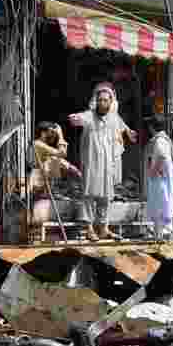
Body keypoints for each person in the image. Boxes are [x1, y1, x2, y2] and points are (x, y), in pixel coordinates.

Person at [68, 83, 138, 241]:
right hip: (92, 163)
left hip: (107, 164)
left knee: (106, 196)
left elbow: (122, 125)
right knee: (89, 195)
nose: (103, 103)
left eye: (106, 100)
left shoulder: (113, 117)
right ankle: (89, 228)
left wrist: (128, 132)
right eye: (100, 100)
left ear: (110, 102)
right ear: (95, 101)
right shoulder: (89, 115)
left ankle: (104, 228)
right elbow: (78, 119)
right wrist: (75, 119)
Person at [145, 113, 173, 241]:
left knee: (160, 203)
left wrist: (154, 170)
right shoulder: (165, 139)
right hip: (165, 177)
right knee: (164, 202)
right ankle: (161, 233)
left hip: (160, 178)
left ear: (152, 127)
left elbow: (162, 156)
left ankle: (161, 234)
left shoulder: (159, 140)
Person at [29, 121, 80, 196]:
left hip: (41, 180)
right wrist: (60, 135)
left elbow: (62, 154)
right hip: (36, 182)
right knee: (54, 160)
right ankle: (51, 190)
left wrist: (75, 170)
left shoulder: (41, 144)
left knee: (55, 159)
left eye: (54, 133)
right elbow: (62, 153)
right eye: (52, 132)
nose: (54, 135)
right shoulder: (37, 144)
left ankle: (57, 189)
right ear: (43, 133)